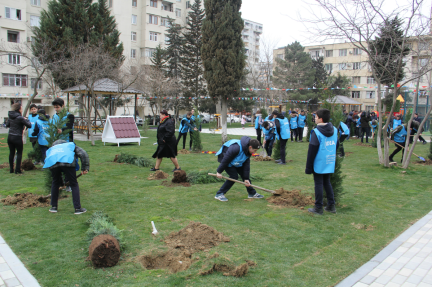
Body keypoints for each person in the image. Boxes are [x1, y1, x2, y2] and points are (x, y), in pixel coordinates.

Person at [306, 109, 338, 215]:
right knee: (327, 182)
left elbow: (312, 150)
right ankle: (331, 205)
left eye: (316, 117)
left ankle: (318, 207)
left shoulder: (316, 132)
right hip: (329, 161)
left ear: (320, 119)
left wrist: (308, 167)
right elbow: (336, 145)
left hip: (319, 163)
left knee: (319, 184)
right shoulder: (334, 129)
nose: (314, 118)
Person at [43, 140, 89, 214]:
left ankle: (53, 207)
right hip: (68, 162)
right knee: (74, 184)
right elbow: (83, 153)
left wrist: (61, 183)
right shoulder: (69, 145)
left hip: (53, 164)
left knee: (55, 182)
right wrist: (85, 168)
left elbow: (48, 160)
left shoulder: (52, 149)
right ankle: (77, 209)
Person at [214, 137, 264, 202]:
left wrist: (246, 178)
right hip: (225, 158)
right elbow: (226, 159)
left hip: (237, 160)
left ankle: (252, 193)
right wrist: (219, 171)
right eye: (255, 150)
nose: (255, 152)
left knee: (245, 177)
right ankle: (219, 194)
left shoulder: (248, 151)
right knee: (234, 176)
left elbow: (246, 165)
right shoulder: (236, 148)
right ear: (250, 147)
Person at [6, 103, 32, 174]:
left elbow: (7, 125)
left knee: (11, 153)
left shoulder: (10, 116)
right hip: (17, 137)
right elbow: (29, 125)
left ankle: (11, 169)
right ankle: (17, 170)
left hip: (10, 136)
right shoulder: (20, 117)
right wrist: (27, 120)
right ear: (19, 109)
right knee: (19, 153)